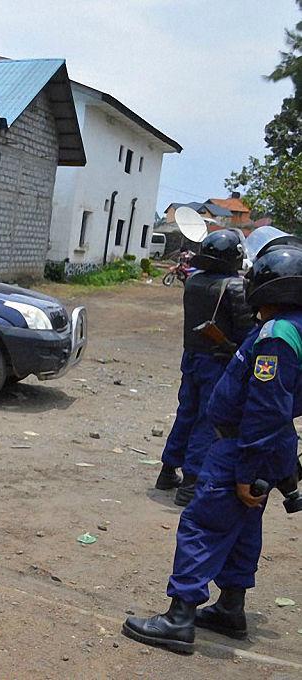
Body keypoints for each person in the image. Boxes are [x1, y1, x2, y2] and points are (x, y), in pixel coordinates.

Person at [123, 244, 302, 653]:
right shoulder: (289, 326)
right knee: (242, 529)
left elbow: (265, 407)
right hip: (261, 446)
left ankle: (179, 617)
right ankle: (231, 609)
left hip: (241, 445)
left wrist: (245, 472)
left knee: (203, 524)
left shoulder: (278, 336)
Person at [156, 229, 253, 506]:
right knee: (207, 420)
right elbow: (246, 331)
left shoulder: (194, 281)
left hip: (192, 357)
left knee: (186, 412)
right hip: (218, 361)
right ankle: (191, 482)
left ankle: (167, 470)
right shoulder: (235, 287)